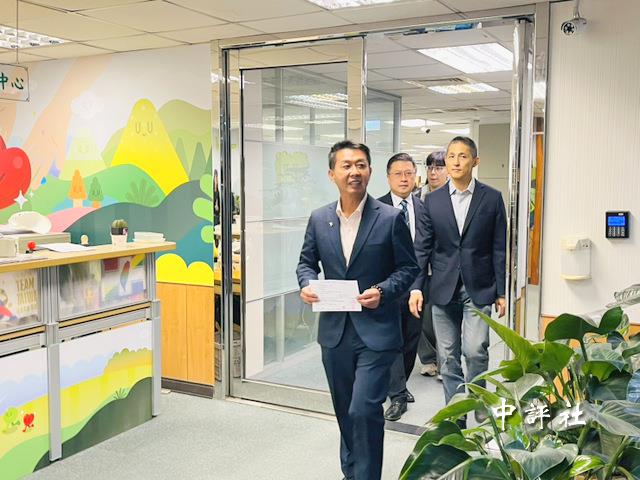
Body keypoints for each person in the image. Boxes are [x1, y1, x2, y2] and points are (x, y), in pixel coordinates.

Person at [297, 140, 419, 480]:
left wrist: (382, 291)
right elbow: (306, 263)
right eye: (347, 165)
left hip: (377, 333)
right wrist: (306, 284)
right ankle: (352, 472)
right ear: (332, 173)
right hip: (335, 333)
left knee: (364, 409)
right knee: (345, 412)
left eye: (361, 165)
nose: (354, 172)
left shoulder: (390, 218)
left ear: (369, 171)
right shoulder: (319, 219)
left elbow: (408, 268)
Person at [409, 136, 506, 428]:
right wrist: (416, 287)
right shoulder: (432, 200)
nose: (455, 162)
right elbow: (423, 247)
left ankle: (478, 399)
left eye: (463, 156)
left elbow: (499, 248)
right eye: (451, 156)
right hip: (442, 287)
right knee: (448, 356)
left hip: (479, 286)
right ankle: (456, 411)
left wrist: (502, 291)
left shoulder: (491, 198)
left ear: (475, 161)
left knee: (475, 350)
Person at [377, 153, 427, 422]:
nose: (404, 178)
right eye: (398, 173)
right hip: (387, 286)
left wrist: (418, 286)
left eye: (408, 173)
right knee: (391, 340)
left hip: (416, 287)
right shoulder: (376, 208)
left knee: (410, 339)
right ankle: (397, 396)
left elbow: (425, 249)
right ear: (388, 178)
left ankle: (400, 385)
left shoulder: (423, 208)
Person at [416, 151, 448, 378]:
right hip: (419, 266)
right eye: (430, 167)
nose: (433, 172)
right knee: (421, 315)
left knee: (444, 315)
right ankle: (428, 358)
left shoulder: (453, 197)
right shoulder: (416, 197)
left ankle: (446, 362)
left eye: (438, 167)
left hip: (443, 266)